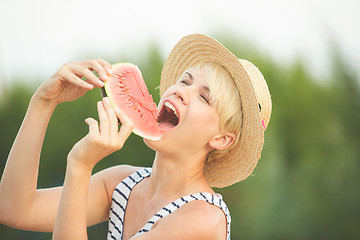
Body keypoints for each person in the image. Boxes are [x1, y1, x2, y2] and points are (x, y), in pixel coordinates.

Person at [0, 34, 271, 240]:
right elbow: (14, 208)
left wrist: (80, 166)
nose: (182, 91)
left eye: (204, 97)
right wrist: (43, 103)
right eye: (185, 81)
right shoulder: (122, 185)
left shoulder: (203, 219)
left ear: (222, 139)